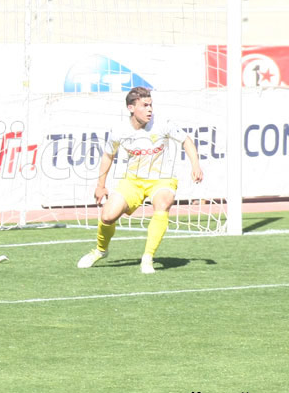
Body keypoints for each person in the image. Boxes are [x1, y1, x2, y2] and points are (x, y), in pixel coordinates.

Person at [76, 86, 204, 274]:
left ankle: (147, 257)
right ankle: (100, 251)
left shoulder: (163, 124)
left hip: (162, 179)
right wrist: (100, 186)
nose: (150, 109)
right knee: (107, 216)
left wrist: (196, 165)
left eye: (151, 105)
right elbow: (107, 156)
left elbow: (186, 140)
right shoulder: (119, 130)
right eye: (144, 105)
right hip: (132, 181)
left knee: (163, 203)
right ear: (131, 108)